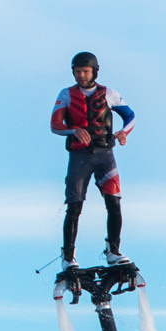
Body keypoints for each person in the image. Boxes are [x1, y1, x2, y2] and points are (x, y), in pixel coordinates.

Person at [50, 52, 135, 268]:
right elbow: (55, 125)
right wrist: (74, 130)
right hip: (79, 157)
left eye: (85, 71)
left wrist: (124, 132)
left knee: (114, 202)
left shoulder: (109, 93)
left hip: (105, 155)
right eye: (77, 71)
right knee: (74, 205)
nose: (81, 75)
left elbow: (130, 116)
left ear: (94, 71)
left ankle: (113, 251)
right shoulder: (66, 94)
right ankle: (68, 257)